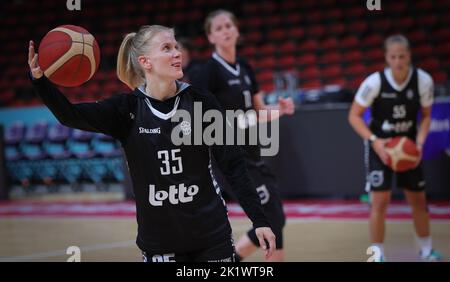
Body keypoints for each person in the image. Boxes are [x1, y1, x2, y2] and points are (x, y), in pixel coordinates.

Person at [27, 25, 276, 262]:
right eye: (167, 48)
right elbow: (70, 115)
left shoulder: (201, 102)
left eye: (176, 47)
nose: (177, 53)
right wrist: (40, 79)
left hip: (212, 236)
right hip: (160, 242)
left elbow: (233, 166)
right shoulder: (127, 110)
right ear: (145, 62)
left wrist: (259, 220)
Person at [191, 10, 295, 262]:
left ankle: (234, 261)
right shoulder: (209, 72)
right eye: (218, 28)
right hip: (231, 158)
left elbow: (258, 112)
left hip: (254, 154)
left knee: (276, 217)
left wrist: (280, 110)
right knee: (270, 215)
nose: (225, 30)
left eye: (229, 25)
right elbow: (199, 121)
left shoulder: (246, 67)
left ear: (237, 30)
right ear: (210, 37)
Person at [348, 34, 442, 262]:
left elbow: (427, 117)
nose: (398, 61)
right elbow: (354, 116)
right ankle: (377, 254)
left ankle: (426, 250)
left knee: (418, 201)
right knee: (379, 202)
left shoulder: (423, 81)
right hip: (380, 146)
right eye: (393, 56)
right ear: (386, 58)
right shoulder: (374, 82)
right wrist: (374, 140)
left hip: (408, 146)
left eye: (402, 56)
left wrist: (419, 143)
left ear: (409, 55)